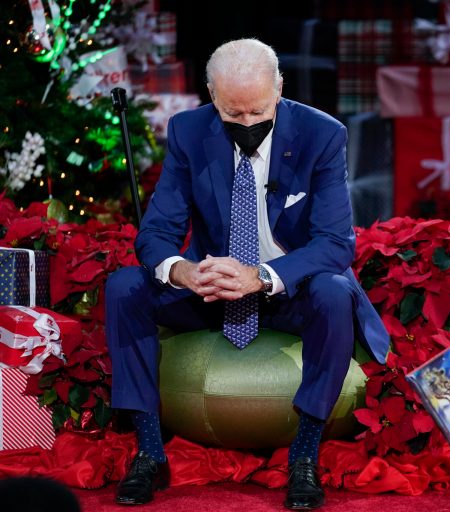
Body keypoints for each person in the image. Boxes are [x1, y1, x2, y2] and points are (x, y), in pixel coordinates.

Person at [105, 38, 390, 509]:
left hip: (287, 288)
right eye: (233, 115)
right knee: (124, 286)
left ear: (279, 88)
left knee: (335, 293)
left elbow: (336, 243)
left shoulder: (322, 135)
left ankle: (304, 455)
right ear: (212, 96)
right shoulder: (188, 132)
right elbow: (156, 232)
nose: (248, 125)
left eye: (258, 111)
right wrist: (184, 272)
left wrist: (261, 275)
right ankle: (150, 452)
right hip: (210, 287)